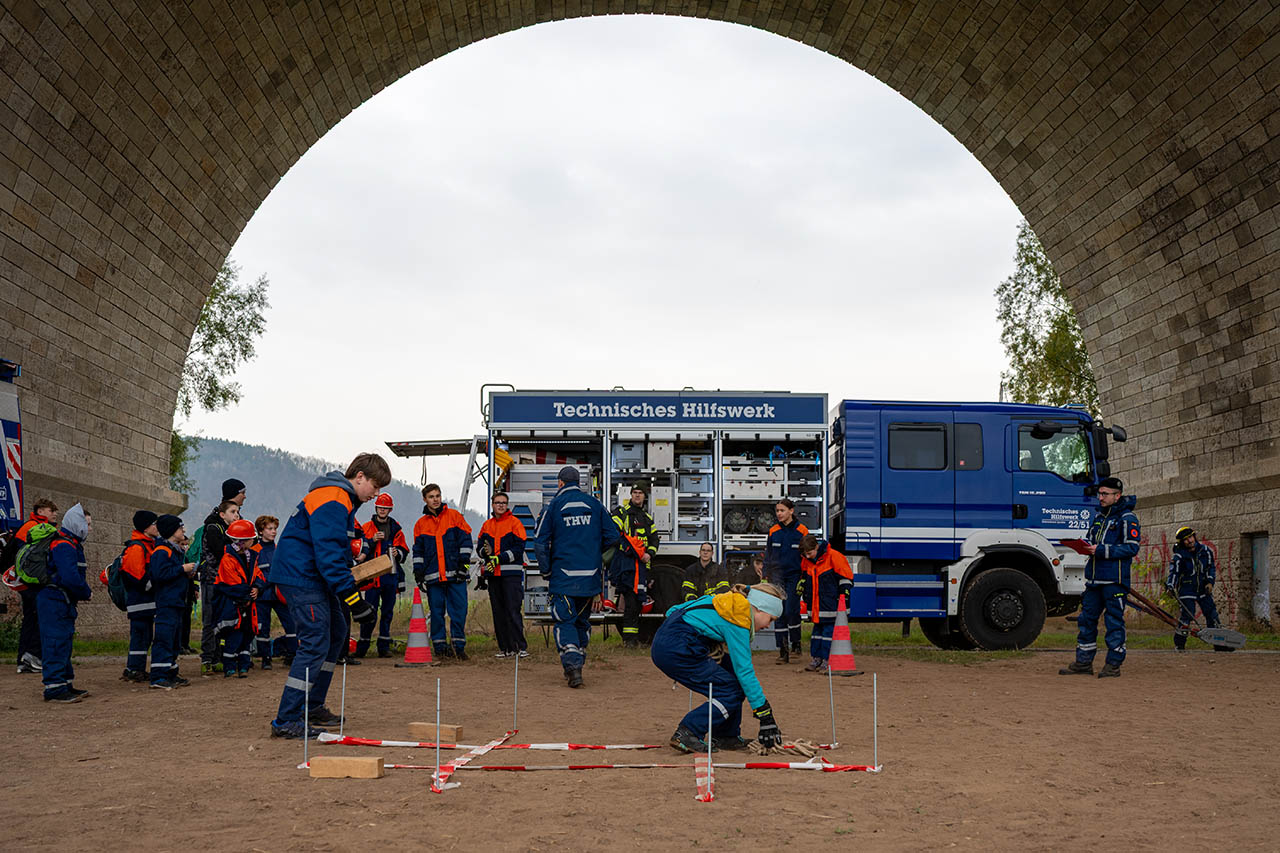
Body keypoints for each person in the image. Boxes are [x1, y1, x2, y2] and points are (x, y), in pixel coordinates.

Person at [269, 455, 387, 739]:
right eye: (375, 485)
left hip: (311, 576)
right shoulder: (334, 498)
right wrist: (355, 602)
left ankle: (312, 704)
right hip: (301, 577)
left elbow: (334, 554)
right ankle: (286, 719)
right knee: (315, 641)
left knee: (336, 633)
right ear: (359, 476)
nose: (376, 494)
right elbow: (329, 557)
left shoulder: (341, 500)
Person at [651, 582, 786, 753]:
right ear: (759, 609)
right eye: (771, 619)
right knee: (730, 690)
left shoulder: (726, 601)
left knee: (734, 680)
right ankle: (688, 731)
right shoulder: (739, 617)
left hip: (673, 640)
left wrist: (705, 636)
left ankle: (726, 736)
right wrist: (765, 714)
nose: (768, 625)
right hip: (678, 648)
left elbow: (674, 611)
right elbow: (744, 670)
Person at [533, 466, 621, 688]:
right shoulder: (595, 505)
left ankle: (572, 667)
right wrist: (600, 563)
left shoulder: (552, 507)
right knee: (582, 622)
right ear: (579, 483)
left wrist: (546, 570)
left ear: (560, 483)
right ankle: (578, 661)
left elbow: (540, 542)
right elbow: (613, 537)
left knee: (565, 621)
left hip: (563, 577)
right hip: (590, 579)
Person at [1060, 477, 1140, 678]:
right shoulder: (1099, 518)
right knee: (1086, 620)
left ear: (1117, 495)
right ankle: (1083, 662)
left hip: (1114, 581)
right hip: (1094, 581)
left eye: (1105, 494)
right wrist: (1083, 546)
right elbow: (1092, 542)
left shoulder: (1128, 518)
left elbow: (1132, 547)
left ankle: (1113, 664)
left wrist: (1101, 550)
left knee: (1113, 623)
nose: (1100, 497)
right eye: (1100, 493)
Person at [411, 483, 474, 661]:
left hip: (456, 576)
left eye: (437, 496)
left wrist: (465, 567)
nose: (435, 499)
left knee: (459, 612)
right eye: (431, 497)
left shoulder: (454, 517)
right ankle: (440, 648)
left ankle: (458, 647)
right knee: (437, 613)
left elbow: (467, 544)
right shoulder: (420, 525)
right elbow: (418, 552)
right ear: (425, 499)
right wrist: (418, 573)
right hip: (433, 577)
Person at [39, 503, 93, 703]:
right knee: (56, 642)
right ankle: (54, 688)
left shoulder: (69, 544)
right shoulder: (64, 545)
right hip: (54, 600)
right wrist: (86, 592)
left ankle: (65, 683)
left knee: (63, 642)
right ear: (77, 524)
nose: (89, 529)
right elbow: (70, 577)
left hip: (62, 600)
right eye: (87, 524)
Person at [2, 496, 58, 673]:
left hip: (25, 581)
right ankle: (32, 657)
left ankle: (24, 660)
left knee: (31, 618)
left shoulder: (28, 527)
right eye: (52, 511)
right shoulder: (33, 528)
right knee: (38, 617)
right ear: (40, 511)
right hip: (31, 582)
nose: (55, 514)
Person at [477, 491, 528, 658]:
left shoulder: (515, 523)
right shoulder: (487, 525)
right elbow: (479, 548)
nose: (501, 505)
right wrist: (484, 553)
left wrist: (499, 558)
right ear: (492, 505)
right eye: (498, 502)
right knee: (498, 612)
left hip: (511, 575)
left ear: (507, 505)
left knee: (513, 611)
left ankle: (520, 647)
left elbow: (519, 549)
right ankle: (505, 648)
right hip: (493, 576)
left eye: (504, 503)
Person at [609, 484, 661, 647]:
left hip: (642, 567)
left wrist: (649, 554)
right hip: (627, 565)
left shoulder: (646, 518)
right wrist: (628, 550)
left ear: (645, 497)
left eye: (640, 493)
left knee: (637, 603)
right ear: (630, 495)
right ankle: (629, 640)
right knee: (631, 602)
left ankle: (633, 638)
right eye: (635, 493)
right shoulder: (622, 513)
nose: (637, 496)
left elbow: (654, 540)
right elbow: (612, 533)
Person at [357, 493, 407, 658]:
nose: (383, 510)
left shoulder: (396, 528)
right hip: (372, 577)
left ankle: (383, 647)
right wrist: (372, 540)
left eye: (386, 508)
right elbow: (359, 551)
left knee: (387, 613)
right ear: (376, 508)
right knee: (368, 613)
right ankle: (362, 647)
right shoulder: (366, 528)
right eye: (380, 507)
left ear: (390, 509)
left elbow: (404, 550)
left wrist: (397, 552)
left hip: (390, 577)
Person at [148, 514, 196, 689]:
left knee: (175, 639)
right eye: (179, 527)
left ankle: (171, 672)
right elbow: (159, 574)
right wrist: (181, 569)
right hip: (166, 602)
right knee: (164, 638)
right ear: (170, 530)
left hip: (177, 602)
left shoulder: (175, 550)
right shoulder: (162, 551)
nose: (183, 530)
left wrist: (187, 573)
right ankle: (158, 676)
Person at [200, 491, 243, 673]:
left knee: (222, 619)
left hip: (224, 581)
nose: (237, 515)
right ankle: (208, 659)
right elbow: (220, 551)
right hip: (211, 579)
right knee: (210, 620)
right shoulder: (213, 529)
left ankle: (220, 655)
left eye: (238, 512)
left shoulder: (229, 532)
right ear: (222, 514)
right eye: (233, 511)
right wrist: (236, 544)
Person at [798, 533, 853, 673]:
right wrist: (802, 584)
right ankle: (816, 658)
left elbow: (846, 578)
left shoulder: (834, 556)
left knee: (829, 633)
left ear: (817, 547)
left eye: (809, 553)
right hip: (816, 605)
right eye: (805, 554)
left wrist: (844, 595)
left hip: (831, 604)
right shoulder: (807, 559)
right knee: (816, 633)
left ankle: (827, 660)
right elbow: (805, 576)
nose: (808, 556)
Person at [213, 519, 259, 678]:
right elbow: (231, 583)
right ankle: (230, 667)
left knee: (247, 634)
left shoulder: (253, 556)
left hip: (247, 604)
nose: (254, 541)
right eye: (251, 538)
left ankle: (244, 666)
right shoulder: (228, 559)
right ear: (243, 541)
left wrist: (257, 588)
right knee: (234, 634)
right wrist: (247, 594)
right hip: (232, 605)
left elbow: (259, 575)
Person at [764, 498, 808, 664]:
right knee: (778, 612)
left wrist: (805, 577)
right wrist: (765, 577)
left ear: (791, 511)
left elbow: (807, 554)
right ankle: (783, 650)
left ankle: (796, 643)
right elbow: (767, 555)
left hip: (795, 575)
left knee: (791, 610)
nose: (779, 514)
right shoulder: (773, 531)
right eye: (777, 511)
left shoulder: (802, 531)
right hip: (777, 576)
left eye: (782, 510)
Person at [1167, 526, 1225, 651]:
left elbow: (1211, 568)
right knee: (1187, 615)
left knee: (1212, 614)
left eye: (1191, 537)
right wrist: (1170, 586)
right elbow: (1174, 573)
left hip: (1203, 588)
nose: (1189, 541)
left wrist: (1210, 582)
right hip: (1186, 589)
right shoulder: (1178, 556)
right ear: (1181, 542)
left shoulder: (1206, 551)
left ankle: (1219, 645)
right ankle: (1180, 645)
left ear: (1194, 537)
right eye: (1186, 539)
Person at [119, 510, 159, 682]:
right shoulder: (137, 547)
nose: (156, 527)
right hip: (140, 602)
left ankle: (137, 668)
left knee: (145, 636)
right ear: (145, 527)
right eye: (153, 523)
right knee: (140, 636)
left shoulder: (148, 544)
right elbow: (136, 575)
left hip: (146, 602)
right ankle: (133, 669)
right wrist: (156, 586)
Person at [251, 515, 295, 668]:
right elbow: (255, 574)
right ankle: (265, 659)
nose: (274, 532)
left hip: (280, 595)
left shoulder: (279, 549)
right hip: (263, 596)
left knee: (291, 625)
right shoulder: (254, 551)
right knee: (263, 627)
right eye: (270, 529)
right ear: (261, 531)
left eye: (275, 528)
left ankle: (291, 655)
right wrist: (261, 585)